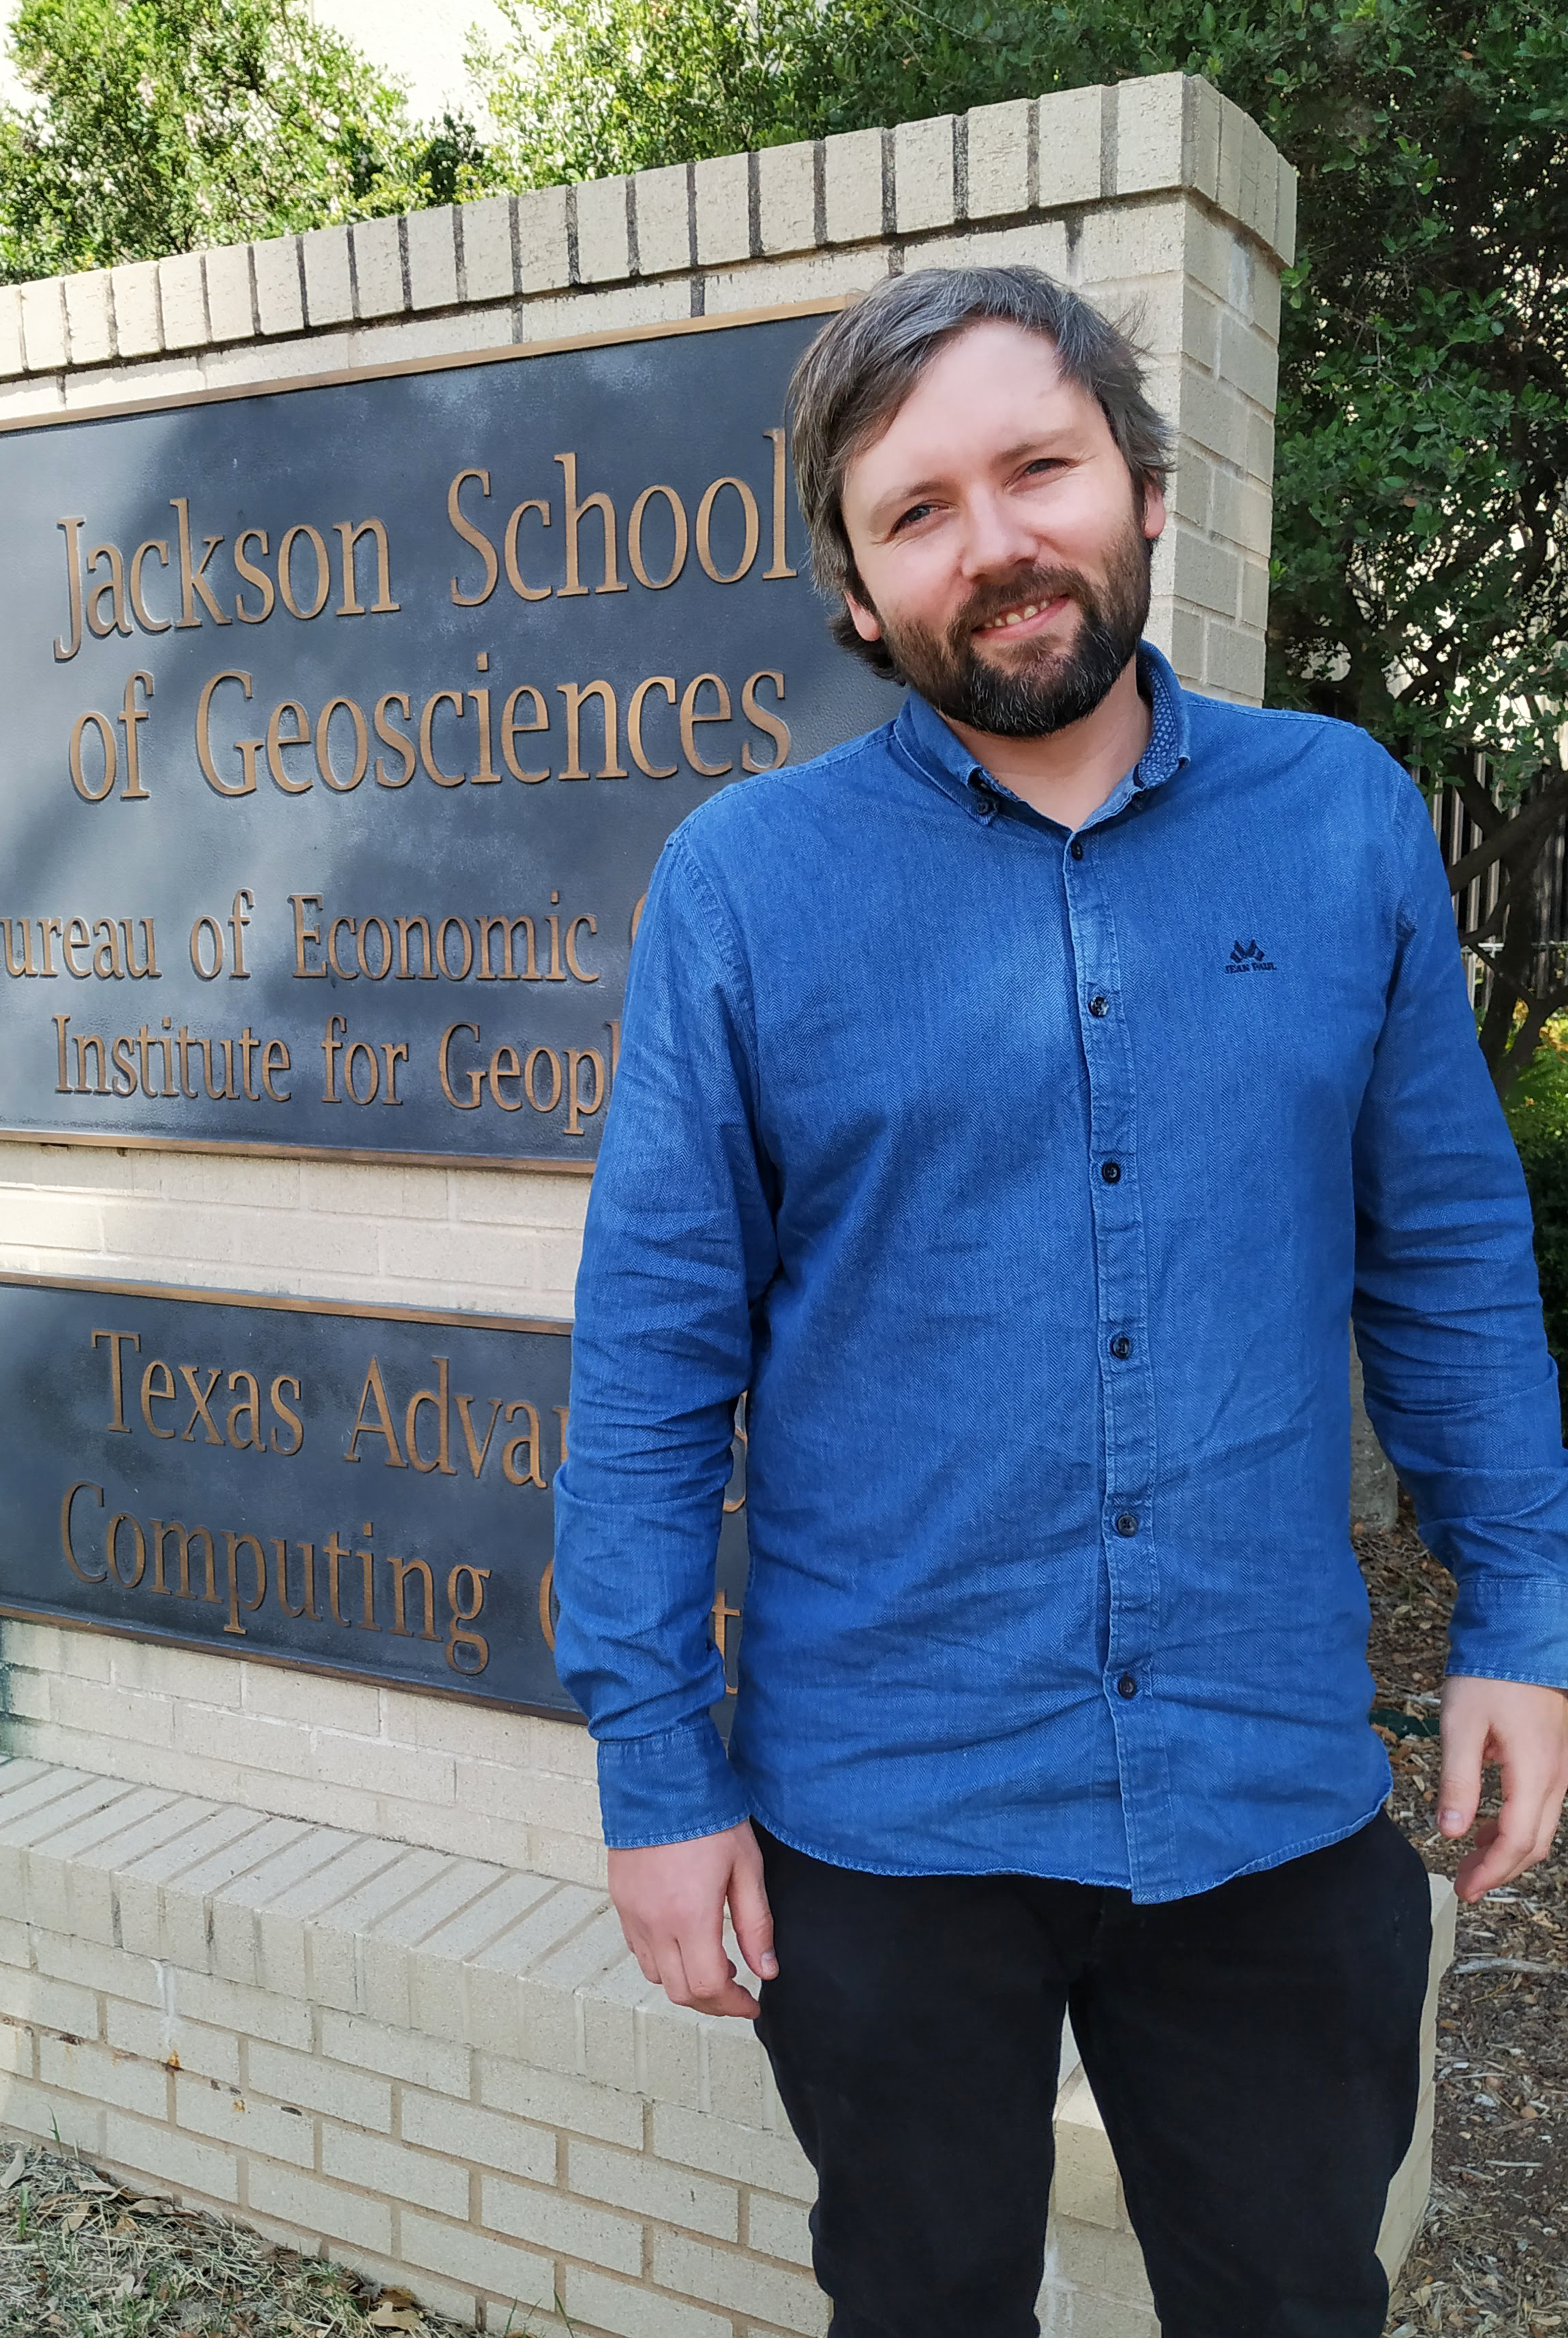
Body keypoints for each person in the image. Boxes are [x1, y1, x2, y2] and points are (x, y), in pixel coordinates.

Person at [550, 266, 1568, 2338]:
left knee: (1292, 2304)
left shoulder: (1341, 819)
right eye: (916, 508)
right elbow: (657, 1358)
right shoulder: (743, 887)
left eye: (1037, 466)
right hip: (884, 1817)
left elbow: (1446, 1254)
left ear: (1137, 487)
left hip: (1264, 1792)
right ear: (852, 590)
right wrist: (656, 1774)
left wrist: (1523, 1616)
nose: (994, 540)